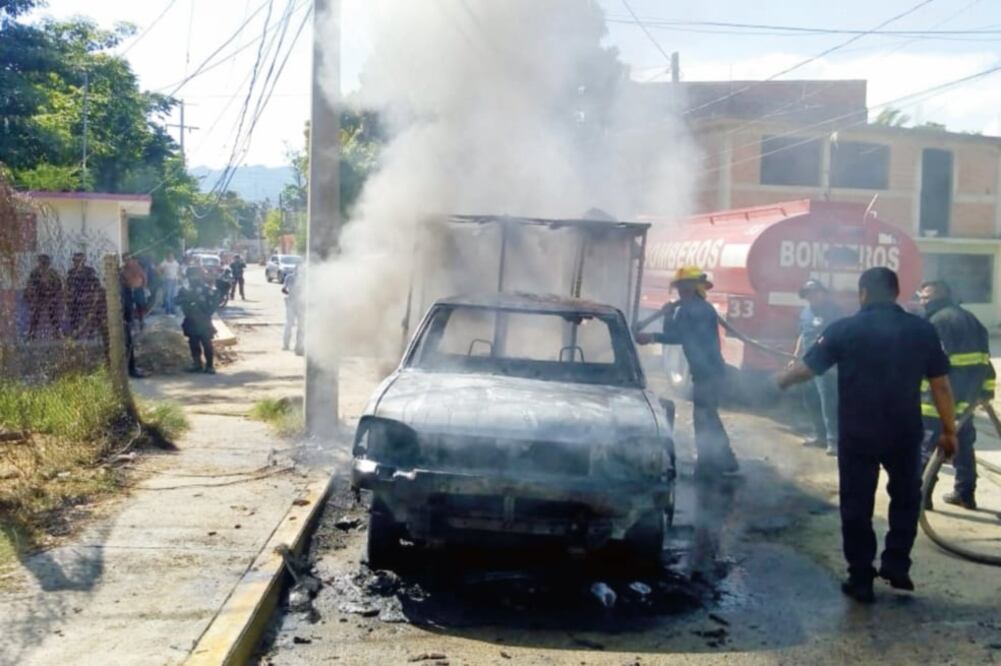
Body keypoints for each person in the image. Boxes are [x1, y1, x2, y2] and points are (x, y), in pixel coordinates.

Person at [776, 267, 957, 603]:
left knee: (857, 503)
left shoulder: (844, 329)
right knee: (906, 498)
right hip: (904, 432)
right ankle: (897, 563)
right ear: (896, 293)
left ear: (863, 294)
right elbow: (941, 386)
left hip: (858, 433)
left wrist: (782, 380)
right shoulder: (922, 330)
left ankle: (861, 577)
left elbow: (807, 369)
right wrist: (949, 430)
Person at [635, 266, 739, 479]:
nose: (681, 291)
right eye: (680, 287)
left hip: (708, 372)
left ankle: (708, 465)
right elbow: (677, 333)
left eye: (685, 286)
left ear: (695, 287)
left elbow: (679, 336)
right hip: (708, 371)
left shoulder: (694, 309)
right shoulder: (699, 307)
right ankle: (726, 460)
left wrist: (653, 336)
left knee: (703, 417)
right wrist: (668, 315)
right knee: (709, 415)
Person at [917, 280, 995, 511]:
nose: (922, 301)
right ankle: (965, 494)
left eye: (925, 297)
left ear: (939, 296)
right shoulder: (971, 319)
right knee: (962, 446)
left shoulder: (935, 322)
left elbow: (930, 364)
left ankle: (920, 498)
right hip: (966, 401)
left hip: (938, 401)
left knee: (926, 450)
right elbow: (985, 362)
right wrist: (985, 391)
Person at [791, 279, 844, 456]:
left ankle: (833, 441)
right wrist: (795, 356)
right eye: (807, 294)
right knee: (810, 399)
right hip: (807, 363)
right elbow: (802, 335)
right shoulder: (806, 312)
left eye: (814, 292)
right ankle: (819, 435)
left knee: (828, 402)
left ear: (823, 292)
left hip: (826, 364)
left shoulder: (835, 311)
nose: (811, 296)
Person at [176, 266, 219, 374]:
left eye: (196, 275)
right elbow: (176, 300)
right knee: (193, 343)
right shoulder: (185, 290)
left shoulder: (206, 289)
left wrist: (207, 313)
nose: (194, 278)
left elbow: (214, 303)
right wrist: (186, 298)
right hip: (191, 320)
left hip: (203, 321)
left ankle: (209, 365)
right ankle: (197, 363)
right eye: (191, 276)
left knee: (207, 343)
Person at [66, 252, 105, 340]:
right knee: (74, 316)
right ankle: (75, 333)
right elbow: (68, 285)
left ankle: (91, 333)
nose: (77, 263)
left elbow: (96, 284)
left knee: (90, 316)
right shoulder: (71, 272)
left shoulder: (89, 271)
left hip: (87, 297)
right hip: (74, 298)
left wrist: (93, 295)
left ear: (83, 261)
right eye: (76, 261)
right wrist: (68, 296)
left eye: (79, 261)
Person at [25, 254, 63, 339]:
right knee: (35, 314)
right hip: (39, 296)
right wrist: (31, 295)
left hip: (50, 296)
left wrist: (52, 292)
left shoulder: (52, 273)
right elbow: (30, 284)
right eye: (42, 263)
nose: (43, 265)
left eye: (45, 263)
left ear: (48, 264)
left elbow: (58, 285)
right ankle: (31, 333)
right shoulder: (35, 272)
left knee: (53, 314)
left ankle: (57, 332)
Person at [121, 254, 148, 330]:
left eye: (128, 259)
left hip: (138, 289)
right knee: (128, 306)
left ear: (131, 259)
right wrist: (125, 283)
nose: (127, 261)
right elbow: (121, 279)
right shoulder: (123, 269)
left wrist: (144, 286)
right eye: (125, 259)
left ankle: (141, 321)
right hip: (128, 290)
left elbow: (144, 276)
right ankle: (130, 322)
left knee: (140, 305)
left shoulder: (138, 267)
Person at [282, 267, 304, 355]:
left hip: (291, 302)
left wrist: (290, 294)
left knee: (289, 323)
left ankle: (285, 345)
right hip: (301, 303)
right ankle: (298, 347)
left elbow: (283, 289)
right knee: (301, 325)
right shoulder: (305, 279)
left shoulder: (289, 277)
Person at [160, 251, 181, 315]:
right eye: (170, 255)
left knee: (173, 296)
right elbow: (158, 269)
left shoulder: (175, 262)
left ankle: (173, 309)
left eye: (172, 255)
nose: (171, 257)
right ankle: (168, 310)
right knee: (168, 296)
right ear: (168, 256)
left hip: (174, 280)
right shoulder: (164, 262)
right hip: (168, 280)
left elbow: (178, 270)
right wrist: (162, 276)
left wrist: (178, 277)